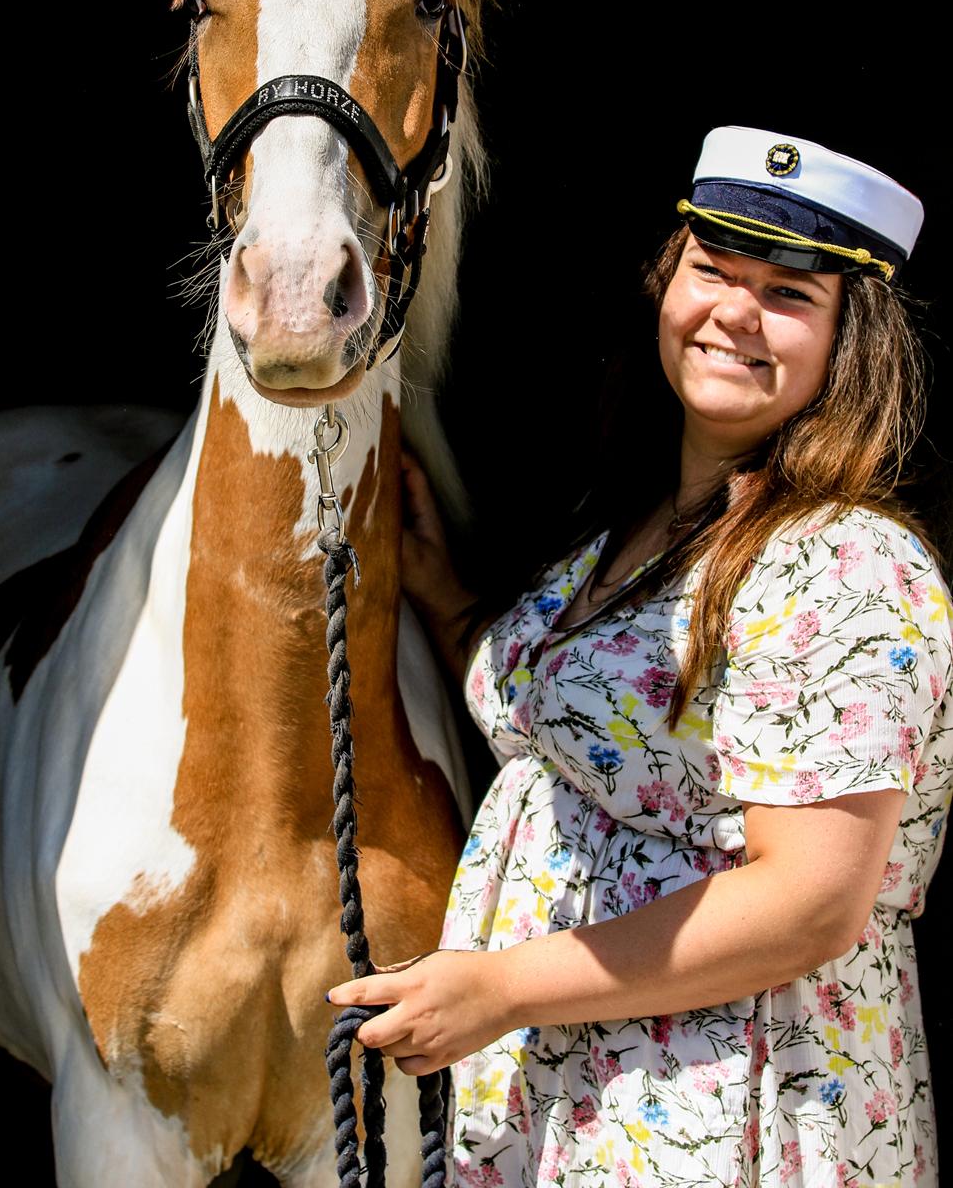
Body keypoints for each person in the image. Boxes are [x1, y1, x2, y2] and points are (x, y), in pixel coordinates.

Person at [329, 127, 953, 1187]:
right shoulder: (630, 530)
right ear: (667, 282)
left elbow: (809, 899)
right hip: (570, 1099)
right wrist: (444, 601)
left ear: (851, 340)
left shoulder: (848, 563)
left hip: (716, 1110)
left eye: (790, 295)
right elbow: (582, 733)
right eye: (713, 270)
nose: (735, 314)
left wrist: (500, 988)